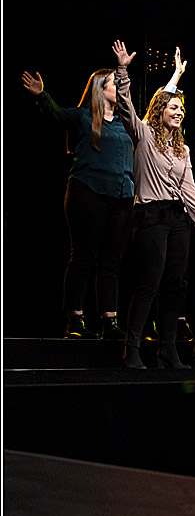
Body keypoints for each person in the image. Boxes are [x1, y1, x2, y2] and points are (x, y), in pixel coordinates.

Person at [112, 41, 195, 369]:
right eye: (173, 107)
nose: (179, 112)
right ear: (159, 110)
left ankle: (167, 349)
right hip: (149, 216)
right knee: (150, 280)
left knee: (176, 284)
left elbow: (189, 189)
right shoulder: (144, 134)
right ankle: (131, 347)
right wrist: (122, 70)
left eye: (182, 109)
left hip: (177, 219)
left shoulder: (183, 148)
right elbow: (124, 103)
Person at [23, 62, 133, 340]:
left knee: (111, 262)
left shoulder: (125, 124)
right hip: (88, 192)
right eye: (113, 83)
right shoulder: (83, 117)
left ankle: (109, 321)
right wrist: (42, 96)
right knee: (83, 257)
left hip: (121, 198)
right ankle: (75, 320)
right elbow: (58, 116)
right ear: (100, 89)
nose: (119, 88)